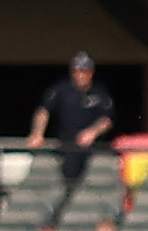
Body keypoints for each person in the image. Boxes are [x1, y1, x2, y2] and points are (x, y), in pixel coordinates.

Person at [27, 53, 115, 186]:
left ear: (91, 72)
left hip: (90, 148)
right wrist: (37, 133)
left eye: (84, 71)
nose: (80, 75)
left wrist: (92, 132)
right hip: (65, 146)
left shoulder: (99, 92)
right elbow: (43, 111)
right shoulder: (61, 89)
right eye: (76, 71)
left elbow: (107, 119)